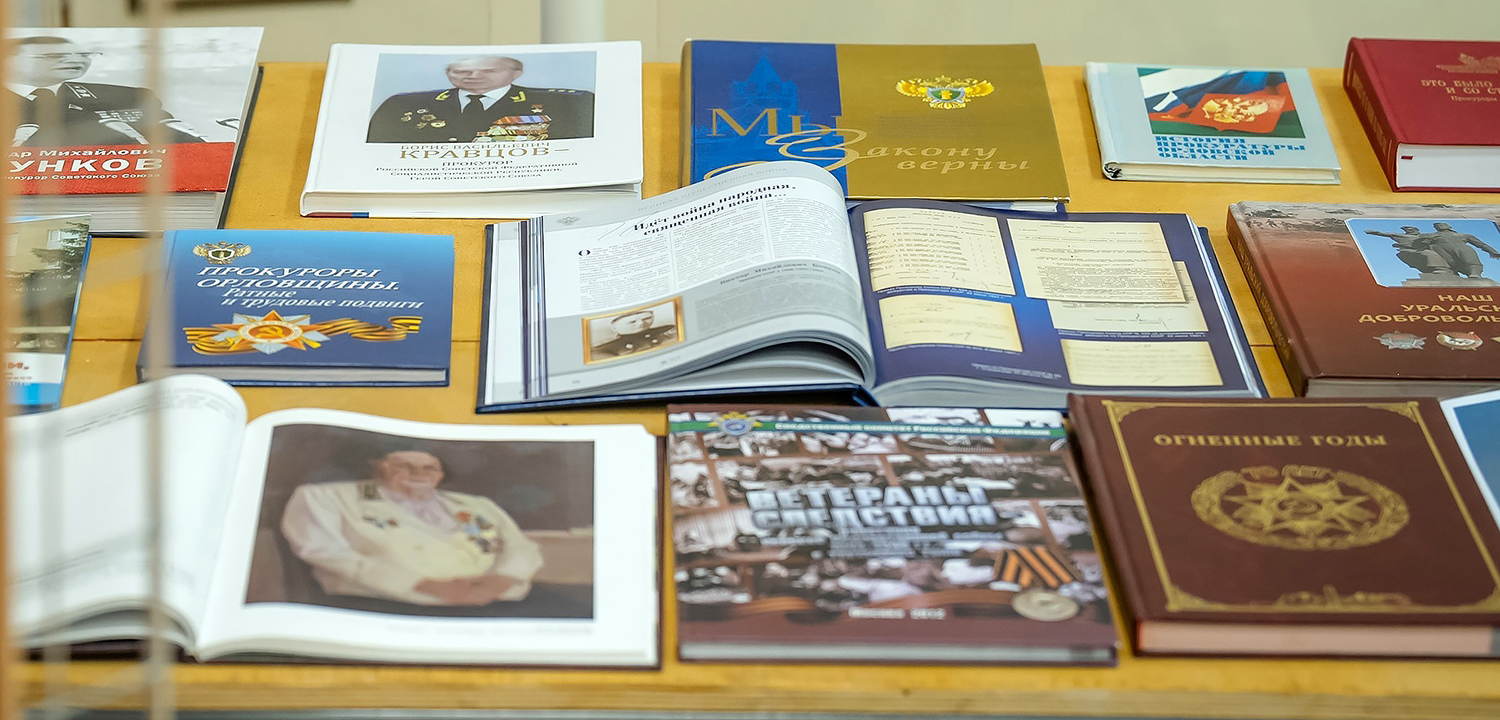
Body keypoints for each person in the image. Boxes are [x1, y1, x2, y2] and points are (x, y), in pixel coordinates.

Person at [280, 446, 543, 607]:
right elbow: (324, 552)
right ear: (377, 468)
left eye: (430, 468)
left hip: (498, 598)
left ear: (440, 474)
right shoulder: (327, 497)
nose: (419, 474)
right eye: (404, 466)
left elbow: (520, 546)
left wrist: (502, 580)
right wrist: (421, 584)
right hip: (391, 602)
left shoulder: (476, 504)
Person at [8, 35, 206, 147]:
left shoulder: (126, 97)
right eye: (54, 56)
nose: (75, 60)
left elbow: (184, 143)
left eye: (84, 54)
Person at [366, 55, 594, 143]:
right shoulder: (402, 105)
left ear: (516, 73)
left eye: (489, 71)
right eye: (461, 71)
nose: (474, 76)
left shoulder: (566, 103)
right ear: (448, 73)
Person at [591, 309, 679, 359]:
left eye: (646, 318)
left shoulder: (668, 329)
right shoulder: (604, 348)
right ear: (614, 327)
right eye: (632, 322)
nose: (641, 323)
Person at [1428, 222, 1500, 279]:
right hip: (1445, 254)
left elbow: (1481, 244)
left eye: (1441, 225)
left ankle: (1474, 273)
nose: (1438, 226)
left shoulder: (1463, 235)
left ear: (1448, 226)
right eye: (1436, 226)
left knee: (1470, 260)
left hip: (1462, 251)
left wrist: (1493, 251)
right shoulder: (1431, 236)